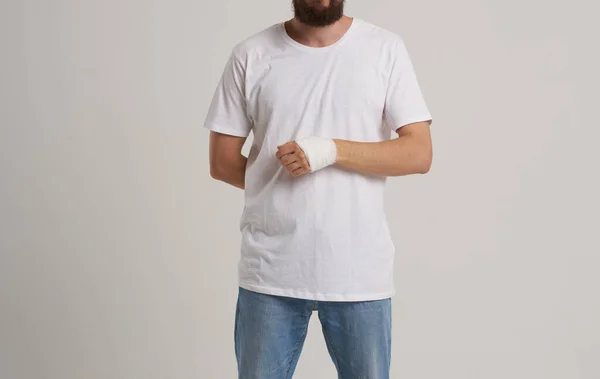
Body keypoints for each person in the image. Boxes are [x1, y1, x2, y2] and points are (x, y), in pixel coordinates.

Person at [203, 0, 433, 377]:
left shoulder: (384, 49)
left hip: (358, 272)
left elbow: (419, 153)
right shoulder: (251, 54)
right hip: (270, 271)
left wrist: (330, 151)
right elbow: (222, 163)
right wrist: (280, 185)